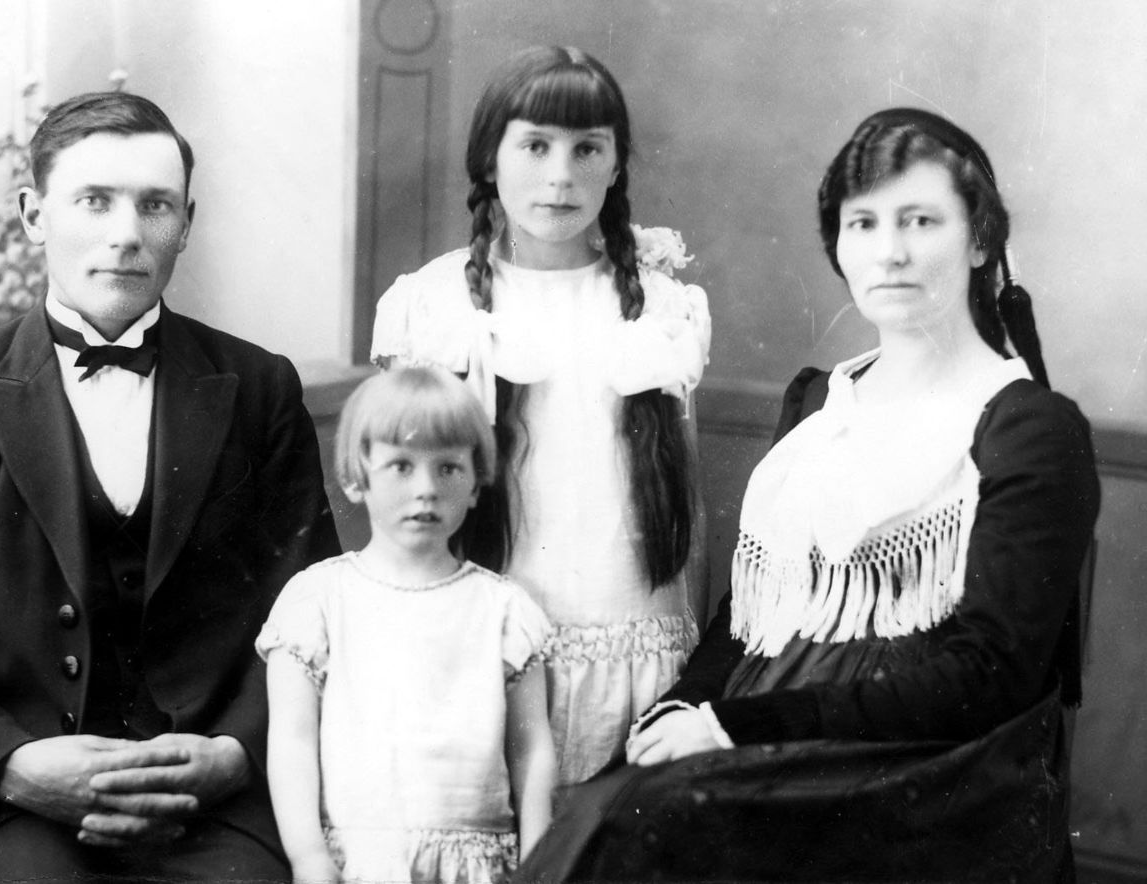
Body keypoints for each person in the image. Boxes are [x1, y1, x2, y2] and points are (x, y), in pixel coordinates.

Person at [519, 109, 1101, 882]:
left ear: (981, 240)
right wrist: (684, 707)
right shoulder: (820, 401)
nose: (889, 251)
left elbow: (989, 675)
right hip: (765, 733)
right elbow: (749, 616)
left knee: (644, 829)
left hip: (916, 769)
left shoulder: (1025, 426)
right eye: (863, 223)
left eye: (921, 220)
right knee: (603, 810)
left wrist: (736, 726)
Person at [0, 91, 340, 882]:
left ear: (186, 223)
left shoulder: (259, 389)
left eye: (155, 205)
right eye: (94, 200)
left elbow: (313, 609)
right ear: (34, 215)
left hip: (211, 795)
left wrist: (236, 751)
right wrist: (13, 764)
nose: (126, 234)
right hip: (5, 797)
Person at [370, 46, 712, 786]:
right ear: (489, 160)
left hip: (636, 643)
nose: (560, 176)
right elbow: (401, 509)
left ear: (616, 166)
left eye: (587, 149)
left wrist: (694, 678)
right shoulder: (434, 305)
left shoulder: (660, 307)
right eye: (535, 146)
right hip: (480, 651)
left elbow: (687, 502)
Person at [258, 366, 555, 884]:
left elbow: (532, 752)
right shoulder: (318, 601)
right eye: (400, 465)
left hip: (476, 867)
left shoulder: (505, 610)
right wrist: (307, 856)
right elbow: (292, 742)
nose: (426, 489)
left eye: (448, 468)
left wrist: (538, 864)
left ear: (476, 483)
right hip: (358, 862)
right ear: (357, 478)